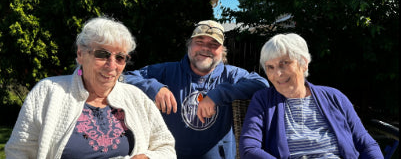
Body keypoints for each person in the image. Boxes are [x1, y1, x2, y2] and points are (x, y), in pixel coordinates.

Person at [5, 16, 176, 159]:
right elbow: (18, 152)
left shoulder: (136, 98)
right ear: (80, 54)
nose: (112, 66)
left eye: (120, 57)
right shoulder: (48, 92)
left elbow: (166, 148)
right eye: (102, 54)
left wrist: (147, 157)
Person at [123, 21, 268, 159]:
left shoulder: (230, 75)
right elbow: (125, 77)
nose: (206, 48)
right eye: (199, 42)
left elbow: (261, 84)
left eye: (214, 44)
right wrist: (155, 88)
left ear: (222, 51)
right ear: (189, 45)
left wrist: (219, 94)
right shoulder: (168, 71)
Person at [239, 34, 382, 159]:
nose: (277, 74)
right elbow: (249, 149)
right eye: (270, 67)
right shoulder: (263, 100)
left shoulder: (334, 97)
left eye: (284, 63)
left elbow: (367, 144)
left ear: (304, 64)